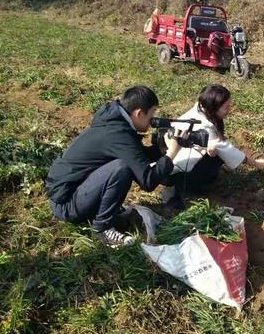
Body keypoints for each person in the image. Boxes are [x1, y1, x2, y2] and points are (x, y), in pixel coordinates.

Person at [46, 86, 185, 247]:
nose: (153, 121)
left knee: (122, 165)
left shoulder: (115, 124)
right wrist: (172, 154)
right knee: (121, 169)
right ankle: (102, 228)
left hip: (71, 192)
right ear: (139, 113)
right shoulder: (119, 135)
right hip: (66, 204)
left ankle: (100, 212)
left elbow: (136, 155)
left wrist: (162, 149)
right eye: (152, 114)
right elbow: (148, 181)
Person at [162, 84, 264, 201]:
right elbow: (227, 150)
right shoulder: (205, 125)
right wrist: (256, 163)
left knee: (214, 151)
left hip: (172, 163)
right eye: (226, 107)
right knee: (218, 154)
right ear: (214, 107)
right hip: (180, 171)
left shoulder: (202, 108)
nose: (230, 109)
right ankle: (187, 189)